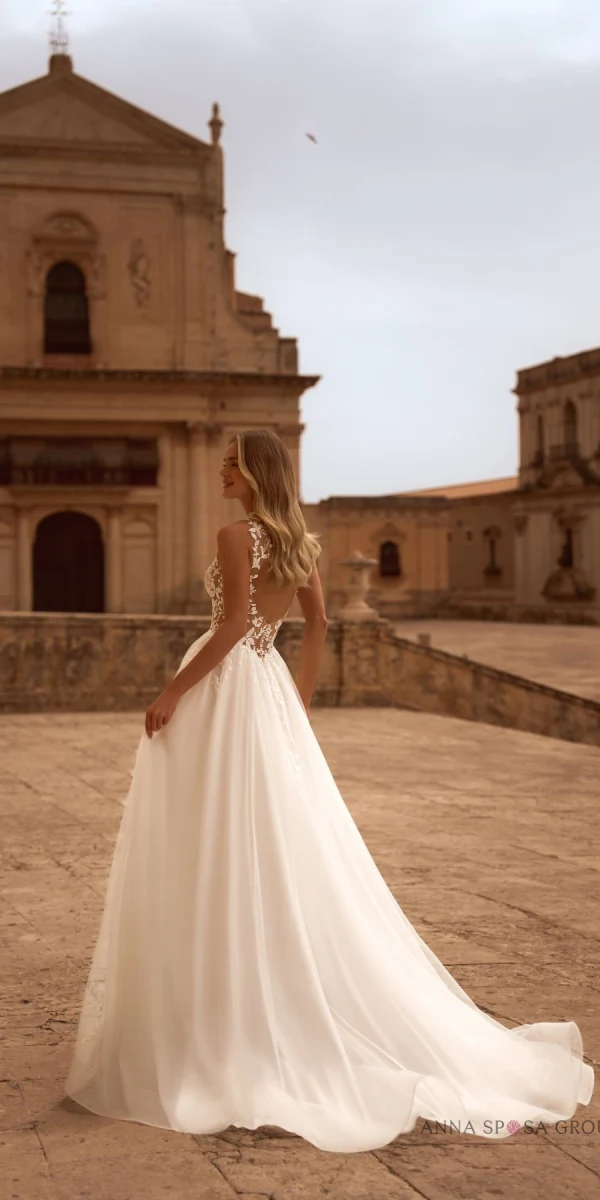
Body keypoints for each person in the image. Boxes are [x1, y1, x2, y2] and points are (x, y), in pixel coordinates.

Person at [64, 429, 594, 1152]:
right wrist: (299, 700)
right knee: (269, 835)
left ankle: (217, 1010)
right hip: (267, 688)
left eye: (230, 464)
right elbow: (317, 623)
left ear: (254, 473)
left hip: (223, 692)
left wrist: (170, 693)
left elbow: (224, 631)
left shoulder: (235, 535)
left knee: (208, 836)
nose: (221, 472)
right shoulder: (301, 542)